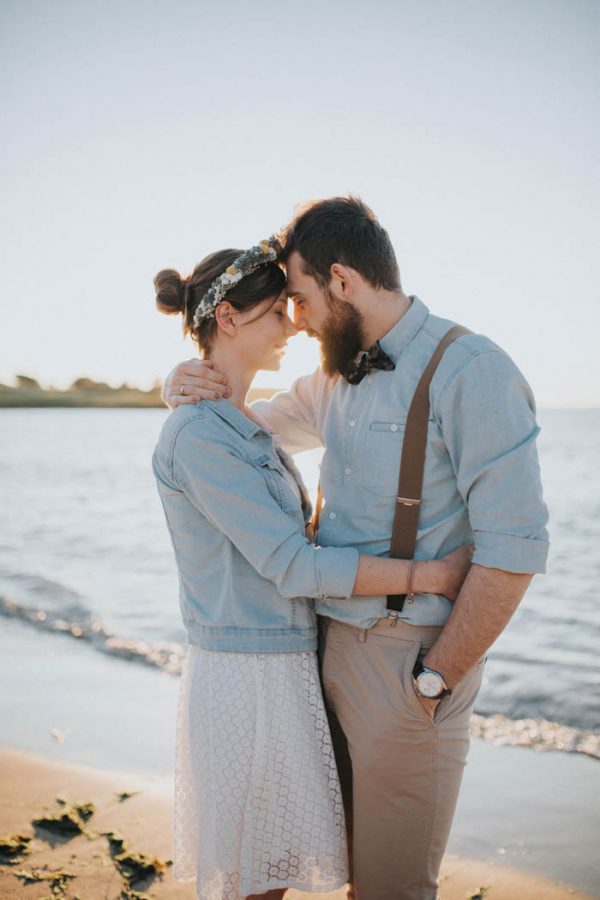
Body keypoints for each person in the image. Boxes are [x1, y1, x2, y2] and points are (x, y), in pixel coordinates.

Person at [164, 197, 550, 900]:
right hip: (311, 660)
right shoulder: (333, 378)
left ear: (341, 281)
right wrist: (175, 384)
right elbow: (233, 431)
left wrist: (436, 677)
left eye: (301, 298)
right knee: (304, 866)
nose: (296, 320)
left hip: (406, 668)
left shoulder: (473, 371)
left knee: (391, 889)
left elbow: (514, 550)